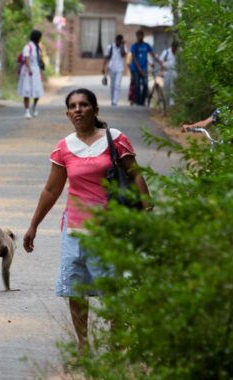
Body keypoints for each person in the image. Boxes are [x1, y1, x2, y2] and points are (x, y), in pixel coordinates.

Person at [23, 88, 150, 351]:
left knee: (114, 286)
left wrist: (147, 210)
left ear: (95, 110)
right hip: (76, 229)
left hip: (111, 226)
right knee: (77, 288)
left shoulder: (115, 139)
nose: (78, 109)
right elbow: (51, 190)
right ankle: (83, 344)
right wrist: (33, 225)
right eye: (73, 106)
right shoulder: (64, 148)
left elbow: (136, 175)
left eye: (83, 104)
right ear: (68, 113)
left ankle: (116, 341)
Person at [130, 30, 163, 106]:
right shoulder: (134, 46)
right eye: (138, 36)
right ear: (136, 36)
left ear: (142, 36)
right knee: (137, 85)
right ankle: (138, 102)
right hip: (136, 69)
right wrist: (139, 69)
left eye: (141, 35)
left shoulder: (146, 45)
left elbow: (153, 54)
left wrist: (159, 62)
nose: (139, 37)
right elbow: (134, 58)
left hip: (144, 68)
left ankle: (142, 101)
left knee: (145, 84)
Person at [18, 29, 45, 119]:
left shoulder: (38, 48)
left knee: (37, 92)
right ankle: (27, 111)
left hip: (36, 71)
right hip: (28, 71)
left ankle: (34, 106)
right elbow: (26, 58)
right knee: (27, 91)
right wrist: (29, 69)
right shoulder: (28, 47)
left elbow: (39, 60)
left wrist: (41, 71)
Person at [102, 34, 127, 106]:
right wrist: (103, 67)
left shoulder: (123, 47)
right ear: (116, 40)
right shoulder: (110, 47)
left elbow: (124, 55)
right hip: (111, 68)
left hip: (119, 68)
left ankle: (115, 101)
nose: (118, 42)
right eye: (118, 41)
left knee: (117, 85)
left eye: (120, 41)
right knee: (112, 85)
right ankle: (112, 99)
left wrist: (122, 46)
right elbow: (106, 57)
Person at [159, 41, 178, 107]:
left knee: (173, 88)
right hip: (166, 71)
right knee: (166, 88)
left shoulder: (179, 53)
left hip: (175, 72)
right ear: (172, 47)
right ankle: (165, 104)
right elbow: (161, 61)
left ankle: (172, 104)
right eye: (174, 48)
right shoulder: (166, 52)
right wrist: (161, 71)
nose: (174, 50)